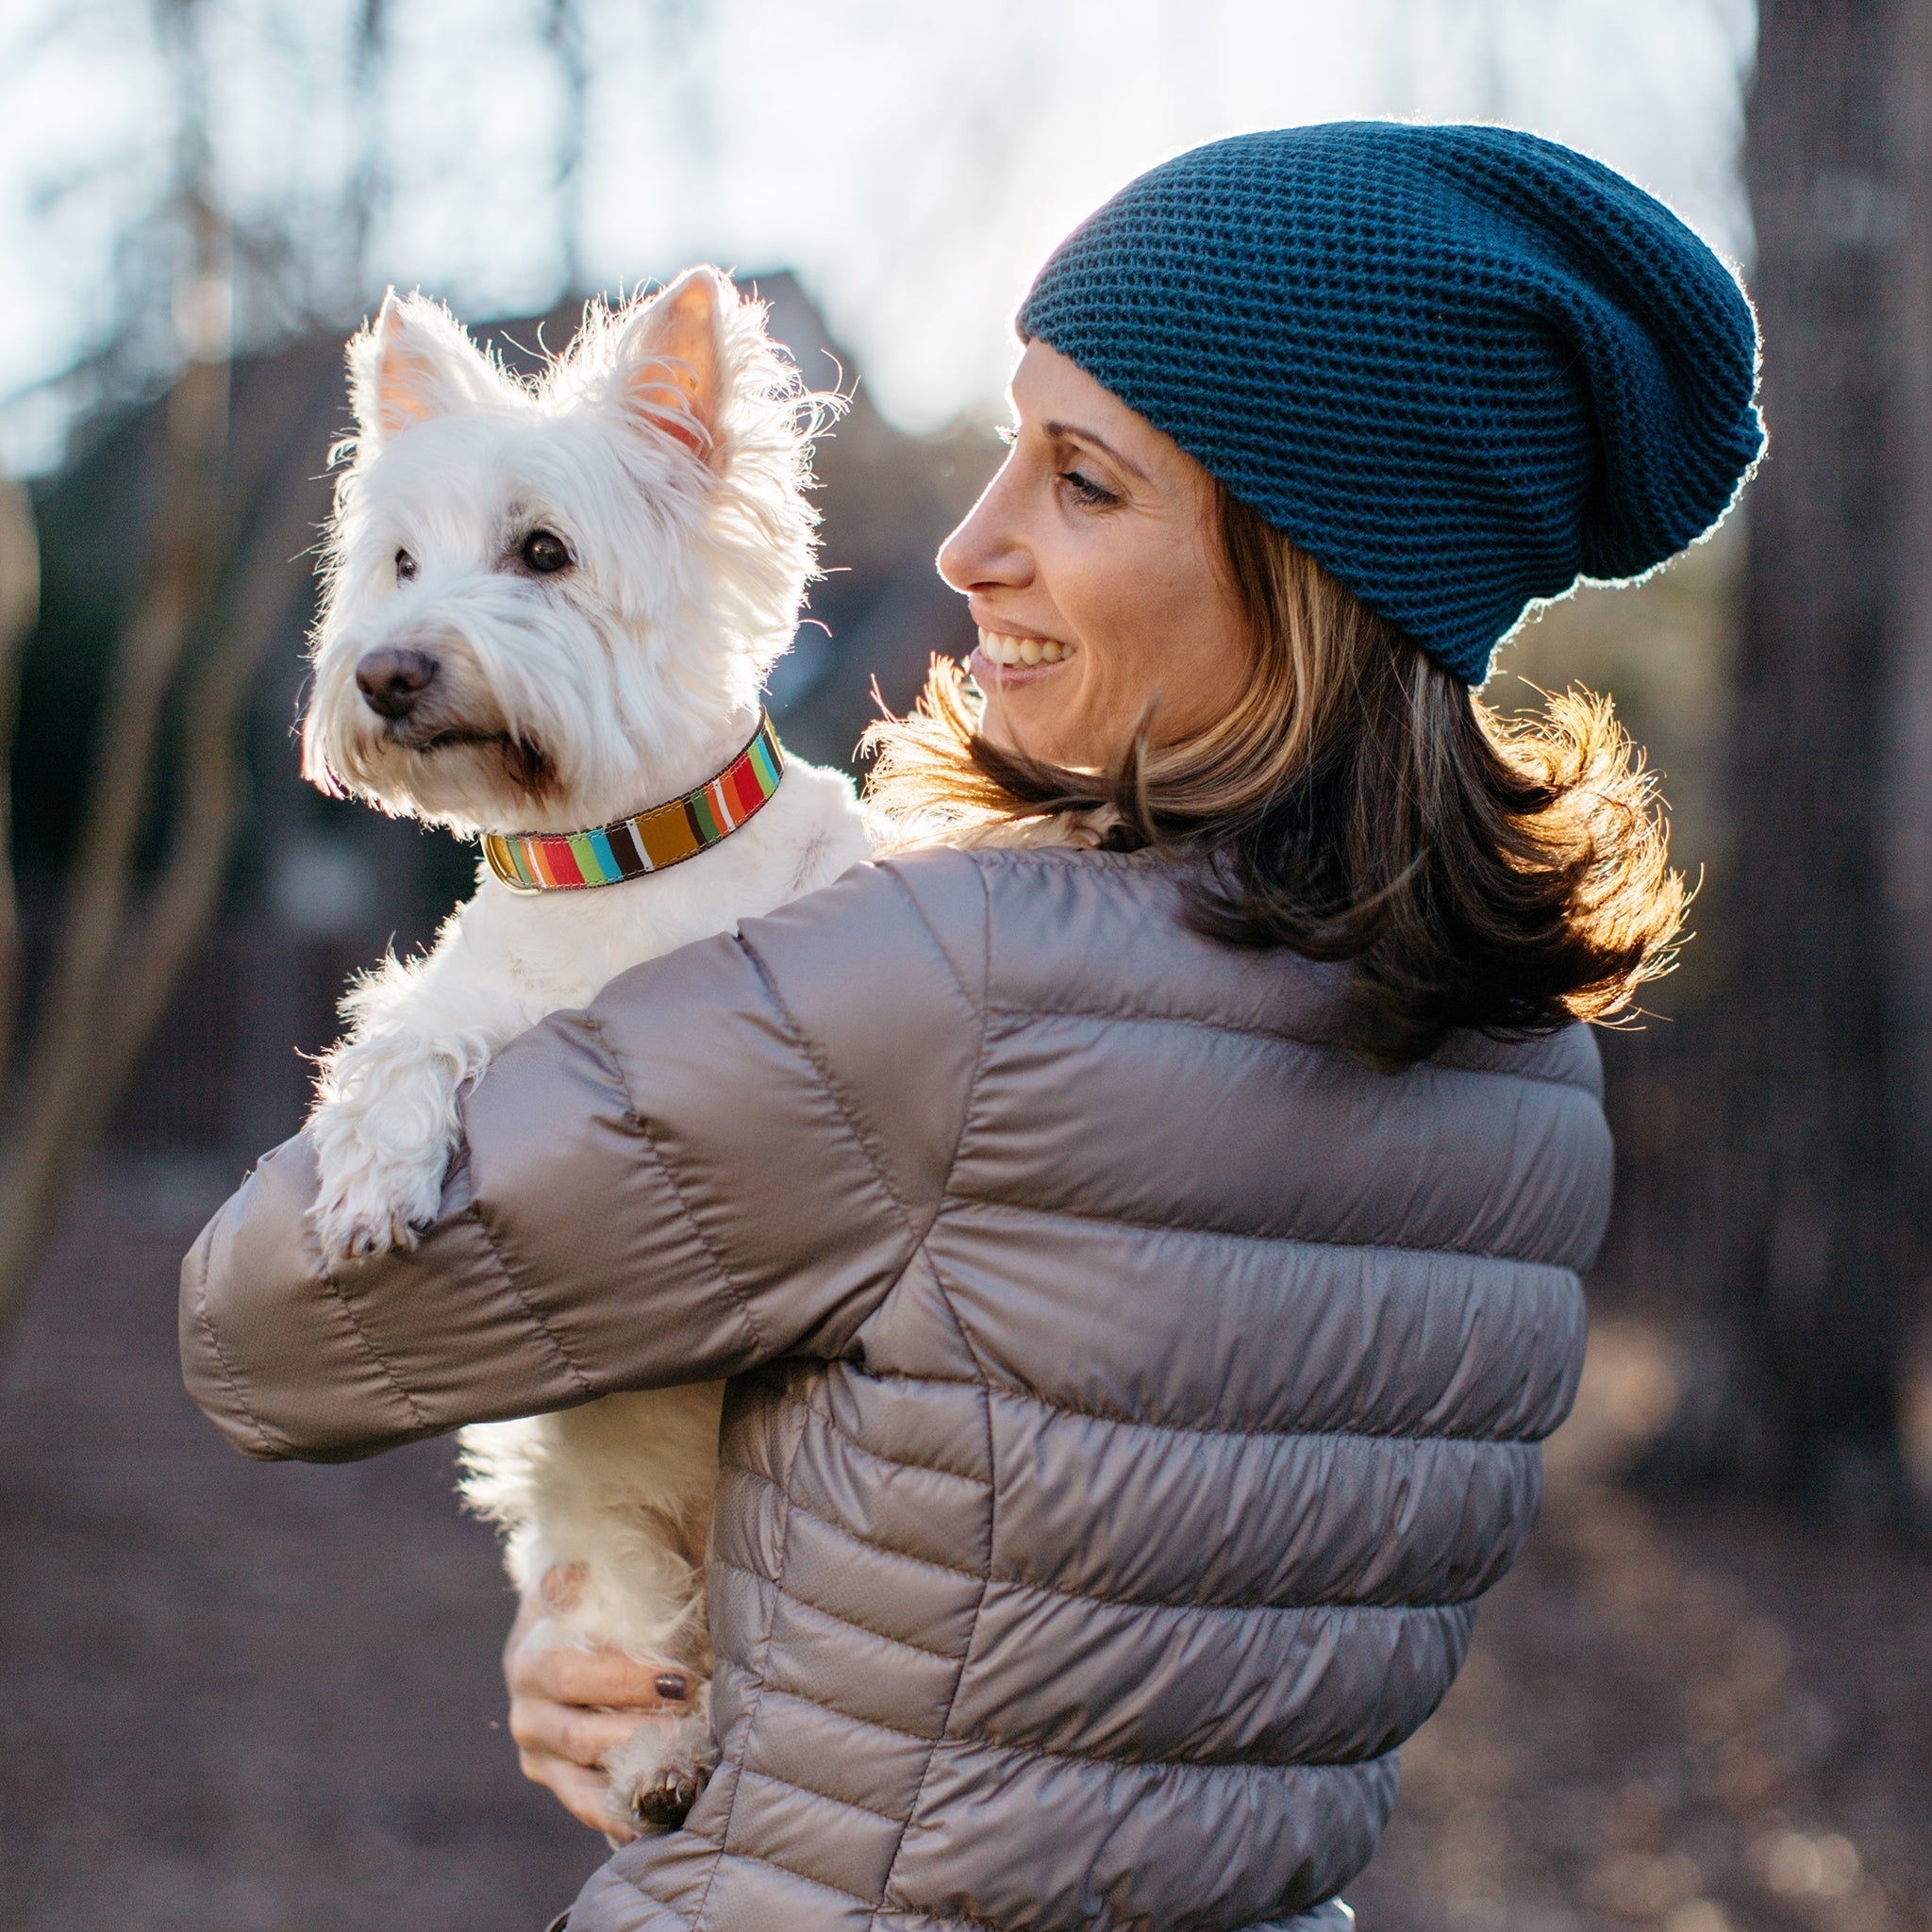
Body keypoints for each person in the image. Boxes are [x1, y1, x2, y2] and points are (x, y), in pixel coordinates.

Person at [181, 123, 1762, 1932]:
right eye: (1009, 448)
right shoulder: (1535, 1066)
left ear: (1312, 561)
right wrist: (606, 1596)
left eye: (1080, 481)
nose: (970, 538)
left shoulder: (951, 990)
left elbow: (267, 1330)